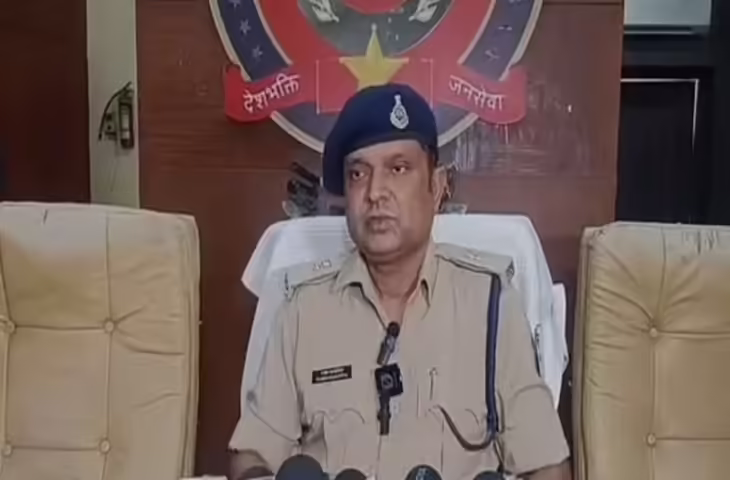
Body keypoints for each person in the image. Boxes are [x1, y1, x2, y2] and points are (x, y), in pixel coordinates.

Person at [229, 84, 571, 480]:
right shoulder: (303, 310)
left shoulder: (491, 304)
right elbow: (251, 455)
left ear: (437, 187)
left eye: (398, 169)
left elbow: (546, 465)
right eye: (358, 174)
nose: (375, 192)